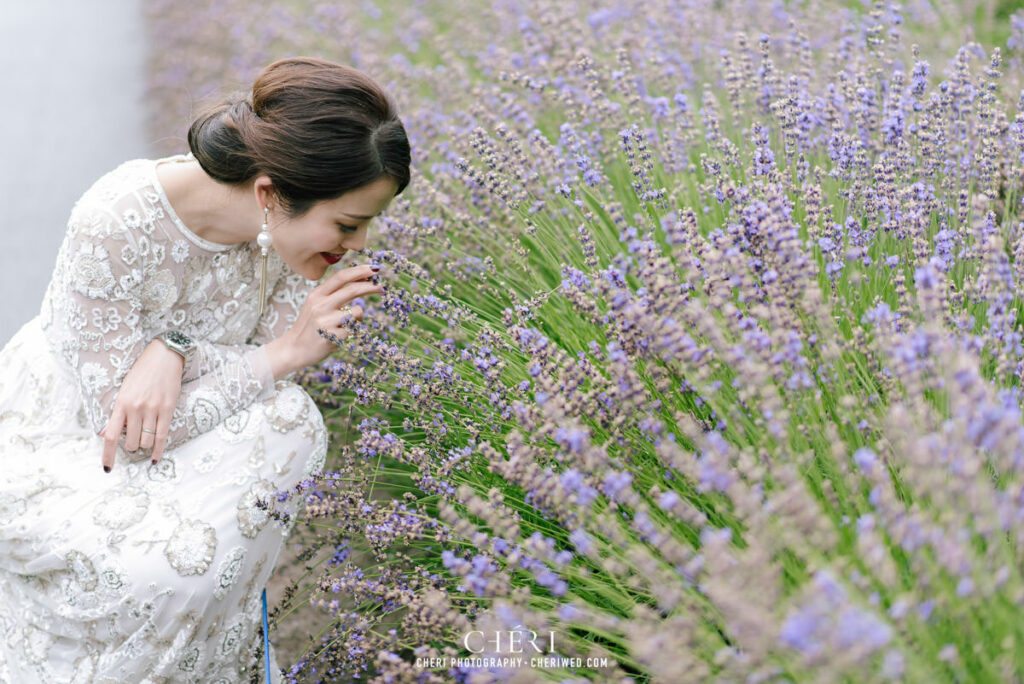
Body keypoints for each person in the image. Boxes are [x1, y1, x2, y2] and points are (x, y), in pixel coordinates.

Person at [0, 56, 411, 682]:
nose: (357, 246)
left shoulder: (287, 242)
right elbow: (127, 435)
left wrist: (175, 347)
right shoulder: (115, 219)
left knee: (288, 420)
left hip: (181, 432)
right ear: (270, 194)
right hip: (68, 444)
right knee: (162, 575)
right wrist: (284, 352)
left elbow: (258, 397)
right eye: (349, 223)